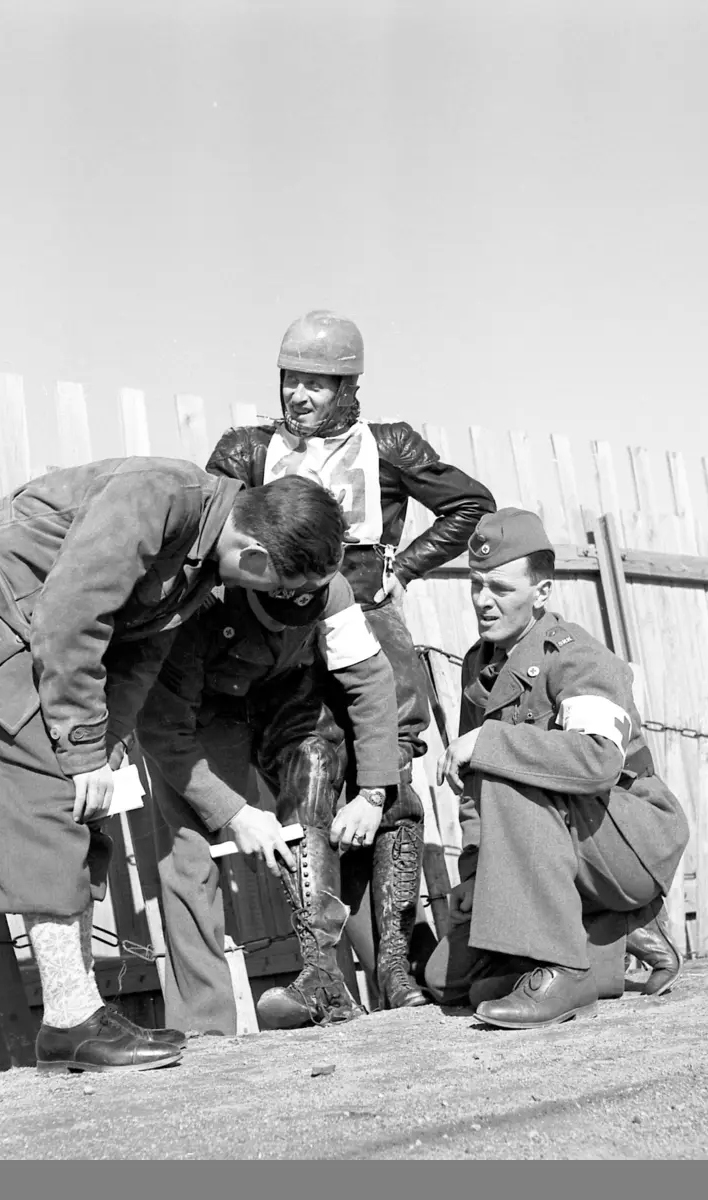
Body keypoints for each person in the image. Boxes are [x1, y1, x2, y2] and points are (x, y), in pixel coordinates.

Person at [0, 459, 345, 1072]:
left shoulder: (201, 556)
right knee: (51, 797)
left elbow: (142, 655)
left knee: (76, 798)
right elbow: (72, 617)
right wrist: (79, 751)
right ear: (257, 559)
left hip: (22, 622)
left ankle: (72, 1017)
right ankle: (71, 1019)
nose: (267, 600)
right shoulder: (156, 499)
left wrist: (104, 744)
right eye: (273, 587)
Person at [205, 310, 496, 1008]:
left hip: (368, 614)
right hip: (285, 629)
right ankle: (321, 975)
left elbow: (469, 504)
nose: (298, 395)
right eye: (291, 380)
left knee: (391, 774)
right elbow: (210, 536)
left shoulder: (387, 442)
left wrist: (411, 567)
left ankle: (397, 971)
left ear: (348, 388)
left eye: (316, 383)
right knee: (306, 774)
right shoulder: (246, 451)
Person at [423, 507, 689, 1029]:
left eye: (499, 587)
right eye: (475, 585)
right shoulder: (482, 665)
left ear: (541, 592)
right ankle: (622, 945)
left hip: (625, 842)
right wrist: (477, 877)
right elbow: (476, 796)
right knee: (451, 983)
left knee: (502, 759)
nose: (482, 600)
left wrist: (490, 741)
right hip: (552, 846)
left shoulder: (577, 658)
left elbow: (597, 762)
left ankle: (565, 967)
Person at [136, 573, 401, 1033]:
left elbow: (369, 678)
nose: (286, 626)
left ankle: (336, 979)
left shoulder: (330, 586)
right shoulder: (196, 598)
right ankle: (203, 1029)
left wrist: (374, 790)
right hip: (203, 711)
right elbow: (162, 729)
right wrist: (234, 813)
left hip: (289, 697)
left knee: (317, 773)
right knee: (190, 848)